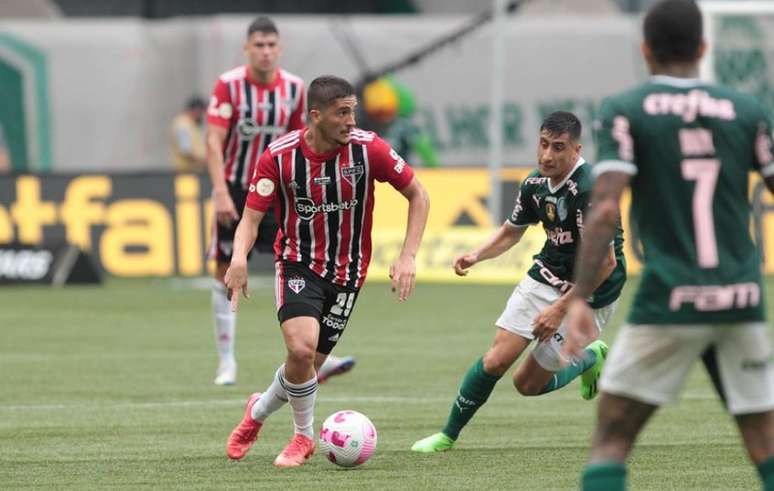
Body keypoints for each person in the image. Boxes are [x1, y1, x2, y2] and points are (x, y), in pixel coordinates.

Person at [562, 2, 774, 490]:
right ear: (703, 48)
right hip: (740, 296)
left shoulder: (626, 110)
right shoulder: (747, 111)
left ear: (645, 50)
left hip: (670, 299)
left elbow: (604, 208)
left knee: (611, 442)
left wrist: (577, 299)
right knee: (764, 444)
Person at [223, 75, 430, 467]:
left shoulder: (370, 150)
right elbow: (251, 219)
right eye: (343, 113)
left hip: (348, 274)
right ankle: (303, 439)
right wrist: (238, 259)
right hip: (299, 263)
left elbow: (419, 194)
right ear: (316, 116)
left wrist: (408, 255)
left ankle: (258, 410)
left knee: (304, 369)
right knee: (299, 349)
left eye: (353, 111)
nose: (352, 121)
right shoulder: (279, 157)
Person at [411, 111, 626, 453]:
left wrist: (558, 310)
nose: (547, 156)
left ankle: (589, 357)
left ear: (576, 150)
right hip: (549, 273)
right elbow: (513, 231)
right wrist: (476, 255)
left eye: (558, 148)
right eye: (543, 145)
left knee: (526, 384)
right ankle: (447, 436)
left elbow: (604, 264)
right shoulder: (535, 183)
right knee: (496, 360)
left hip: (593, 292)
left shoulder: (592, 190)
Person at [205, 16, 355, 385]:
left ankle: (318, 353)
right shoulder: (229, 86)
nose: (266, 51)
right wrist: (221, 190)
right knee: (224, 270)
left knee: (299, 264)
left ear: (280, 48)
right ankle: (227, 361)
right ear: (247, 48)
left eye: (272, 45)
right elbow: (212, 140)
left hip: (281, 190)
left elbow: (302, 141)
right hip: (238, 188)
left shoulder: (292, 89)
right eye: (259, 45)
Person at [171, 96, 207, 173]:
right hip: (186, 173)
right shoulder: (183, 125)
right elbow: (186, 151)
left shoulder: (191, 124)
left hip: (193, 172)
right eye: (201, 111)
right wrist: (204, 162)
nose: (202, 115)